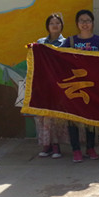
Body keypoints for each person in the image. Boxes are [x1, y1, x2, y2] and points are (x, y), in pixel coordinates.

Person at [60, 9, 99, 163]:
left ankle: (90, 147)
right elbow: (57, 57)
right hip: (74, 87)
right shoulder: (70, 41)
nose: (85, 24)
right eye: (82, 21)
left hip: (92, 86)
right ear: (77, 23)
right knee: (72, 119)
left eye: (88, 21)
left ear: (92, 23)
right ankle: (76, 150)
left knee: (90, 119)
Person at [35, 13, 68, 159]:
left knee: (56, 117)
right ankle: (45, 145)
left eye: (57, 23)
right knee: (43, 116)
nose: (55, 26)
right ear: (47, 26)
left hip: (59, 85)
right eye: (52, 23)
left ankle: (56, 146)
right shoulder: (40, 43)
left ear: (62, 26)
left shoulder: (66, 43)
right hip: (44, 84)